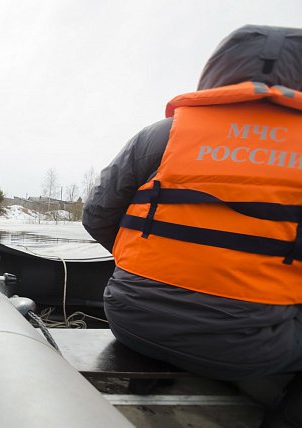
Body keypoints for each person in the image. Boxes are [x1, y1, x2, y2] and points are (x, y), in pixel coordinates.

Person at [82, 25, 302, 426]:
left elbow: (95, 216)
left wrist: (147, 261)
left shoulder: (160, 136)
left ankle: (150, 369)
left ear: (219, 69)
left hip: (132, 320)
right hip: (253, 350)